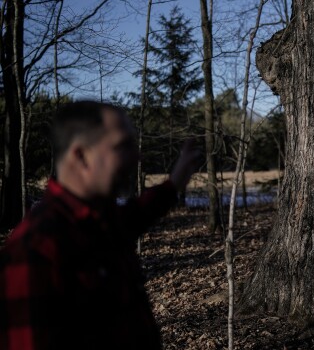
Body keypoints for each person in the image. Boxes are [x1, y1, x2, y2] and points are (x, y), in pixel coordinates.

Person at [0, 100, 201, 350]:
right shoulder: (35, 248)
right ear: (81, 155)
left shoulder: (101, 219)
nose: (137, 157)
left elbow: (138, 213)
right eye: (122, 146)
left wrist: (175, 182)